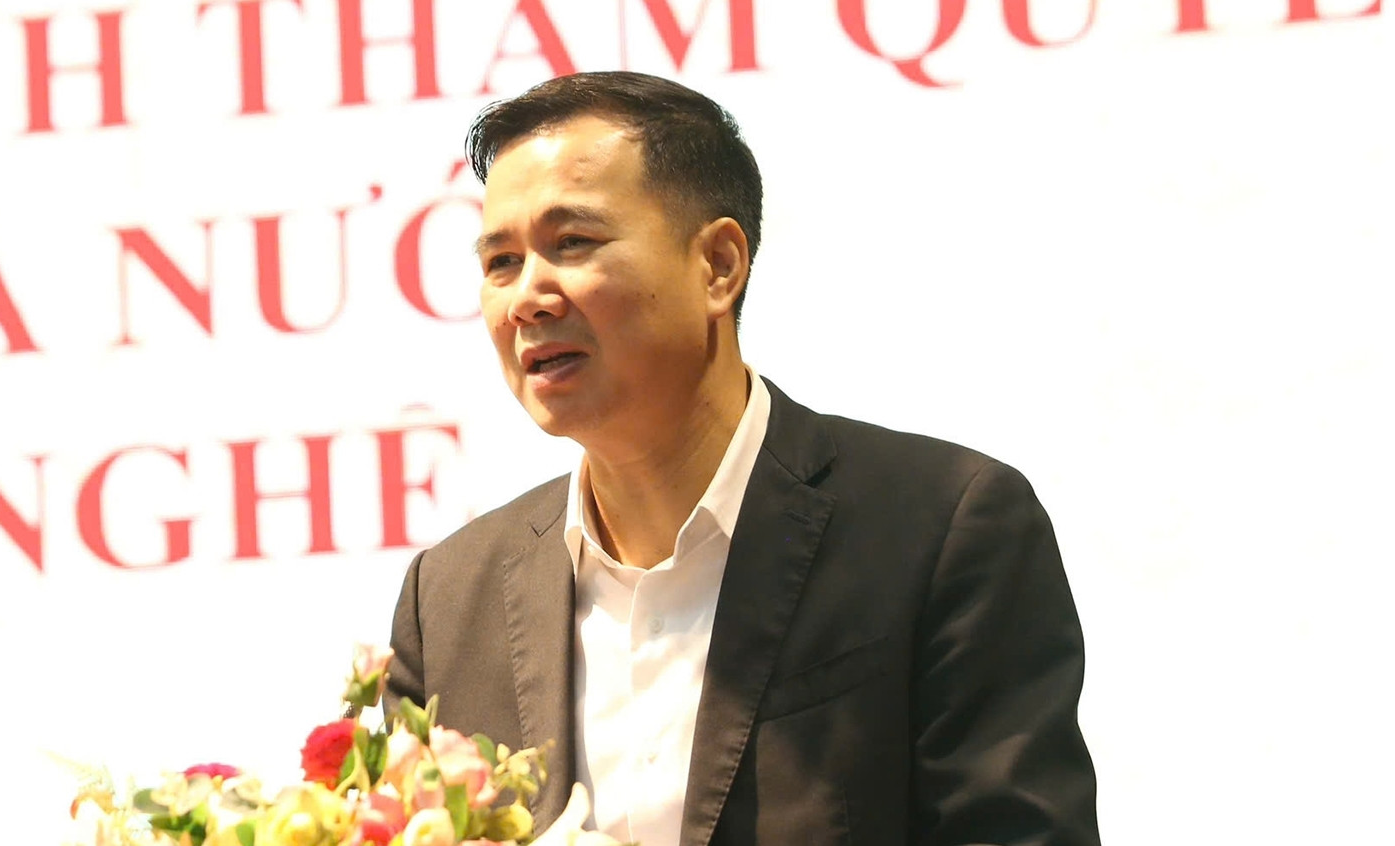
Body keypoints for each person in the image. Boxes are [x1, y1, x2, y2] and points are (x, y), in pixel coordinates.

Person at [381, 71, 1100, 846]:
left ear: (718, 265)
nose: (526, 297)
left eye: (572, 243)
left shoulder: (939, 530)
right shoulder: (450, 602)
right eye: (499, 262)